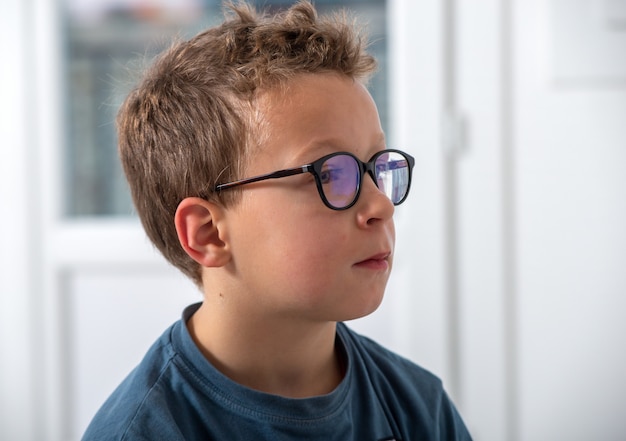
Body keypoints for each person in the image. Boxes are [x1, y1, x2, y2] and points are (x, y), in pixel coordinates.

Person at [82, 1, 472, 440]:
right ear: (208, 233)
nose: (381, 205)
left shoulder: (419, 409)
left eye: (375, 166)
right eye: (329, 173)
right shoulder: (143, 432)